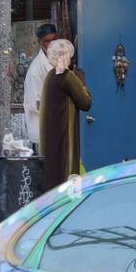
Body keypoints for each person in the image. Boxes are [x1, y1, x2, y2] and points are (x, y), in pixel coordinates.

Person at [39, 39, 93, 188]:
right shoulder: (67, 76)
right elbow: (86, 102)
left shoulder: (50, 77)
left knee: (53, 183)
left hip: (51, 142)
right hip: (65, 143)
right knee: (67, 185)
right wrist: (82, 82)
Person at [22, 23, 59, 146]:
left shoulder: (57, 59)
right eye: (48, 41)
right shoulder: (35, 71)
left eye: (54, 39)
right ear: (40, 42)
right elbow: (35, 104)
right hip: (43, 131)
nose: (52, 44)